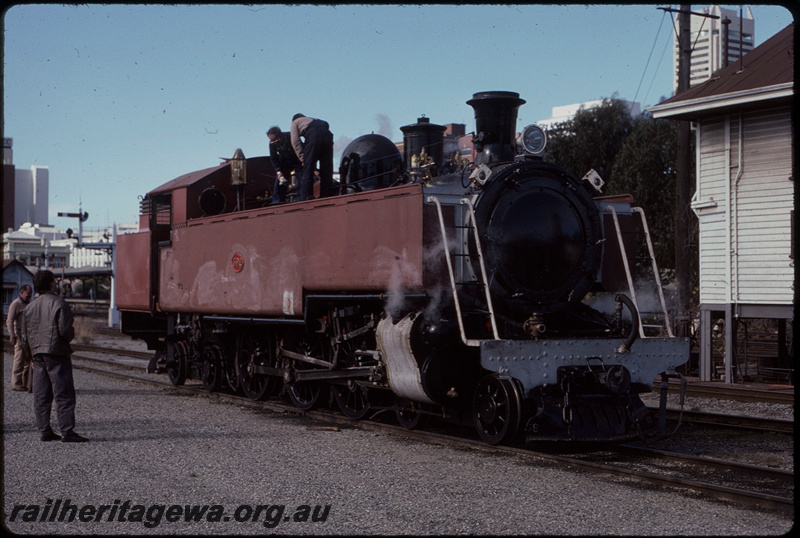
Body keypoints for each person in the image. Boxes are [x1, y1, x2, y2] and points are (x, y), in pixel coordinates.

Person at [22, 270, 88, 443]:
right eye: (54, 281)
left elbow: (24, 336)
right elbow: (65, 331)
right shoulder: (59, 302)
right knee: (63, 393)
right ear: (51, 283)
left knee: (41, 395)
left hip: (37, 353)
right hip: (56, 352)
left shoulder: (29, 307)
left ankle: (44, 430)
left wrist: (30, 356)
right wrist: (71, 336)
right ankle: (67, 431)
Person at [290, 113, 334, 201]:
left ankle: (307, 197)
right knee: (326, 169)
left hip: (313, 133)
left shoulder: (295, 122)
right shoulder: (313, 119)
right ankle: (326, 195)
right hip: (327, 133)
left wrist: (303, 159)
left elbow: (295, 141)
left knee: (308, 170)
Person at [6, 284, 33, 392]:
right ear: (22, 293)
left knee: (27, 361)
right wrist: (12, 335)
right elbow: (10, 321)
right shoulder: (15, 304)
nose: (30, 295)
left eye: (30, 293)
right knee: (19, 360)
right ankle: (16, 383)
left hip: (27, 336)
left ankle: (24, 383)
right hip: (19, 336)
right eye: (28, 293)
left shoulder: (28, 304)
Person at [266, 125, 302, 203]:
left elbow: (301, 148)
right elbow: (273, 158)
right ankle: (277, 201)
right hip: (284, 160)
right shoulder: (272, 143)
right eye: (273, 141)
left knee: (302, 178)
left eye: (276, 141)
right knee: (280, 181)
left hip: (297, 158)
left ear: (281, 135)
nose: (275, 143)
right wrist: (279, 171)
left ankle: (302, 199)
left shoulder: (291, 136)